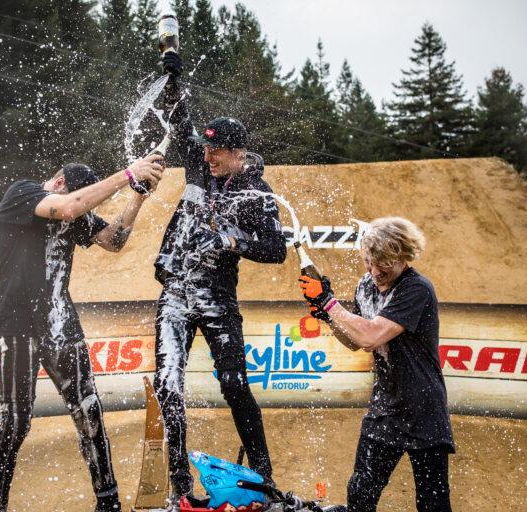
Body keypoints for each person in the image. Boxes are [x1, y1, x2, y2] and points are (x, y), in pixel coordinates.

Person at [0, 156, 163, 512]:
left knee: (88, 410)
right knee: (15, 423)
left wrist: (137, 196)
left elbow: (114, 241)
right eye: (79, 196)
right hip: (17, 326)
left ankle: (108, 500)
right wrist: (128, 174)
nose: (82, 206)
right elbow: (69, 208)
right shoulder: (24, 193)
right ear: (61, 181)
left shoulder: (75, 214)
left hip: (62, 324)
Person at [155, 51, 287, 500]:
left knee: (233, 384)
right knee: (167, 385)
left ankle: (265, 477)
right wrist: (173, 75)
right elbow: (179, 117)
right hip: (175, 293)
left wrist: (235, 242)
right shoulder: (197, 162)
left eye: (216, 150)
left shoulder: (257, 193)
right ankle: (179, 484)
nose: (206, 155)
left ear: (236, 153)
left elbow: (277, 250)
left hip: (217, 298)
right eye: (205, 147)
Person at [299, 217, 454, 512]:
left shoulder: (417, 289)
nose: (375, 272)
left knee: (433, 503)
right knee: (360, 493)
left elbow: (372, 336)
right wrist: (326, 315)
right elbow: (354, 341)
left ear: (403, 257)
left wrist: (330, 302)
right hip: (385, 407)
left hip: (424, 409)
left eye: (382, 264)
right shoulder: (366, 285)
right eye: (369, 262)